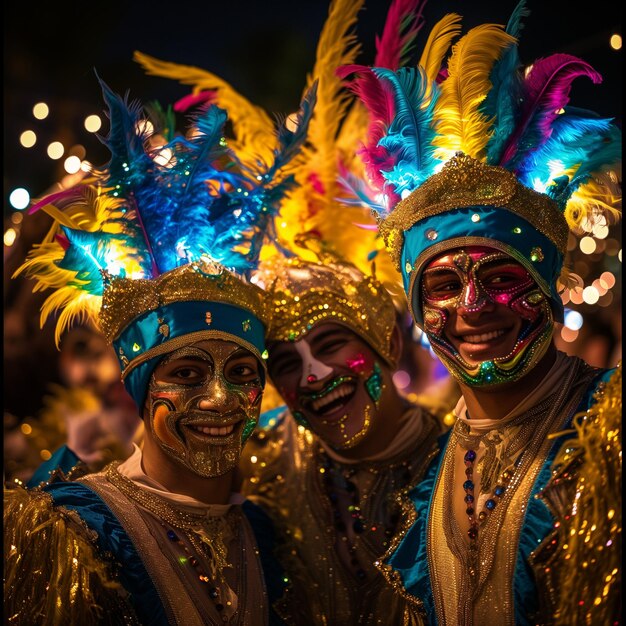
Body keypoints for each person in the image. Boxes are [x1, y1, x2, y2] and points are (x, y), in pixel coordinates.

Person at [340, 3, 622, 624]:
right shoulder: (428, 470)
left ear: (548, 290)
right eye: (441, 285)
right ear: (415, 308)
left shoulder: (609, 427)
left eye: (500, 278)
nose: (472, 308)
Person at [4, 75, 316, 625]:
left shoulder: (265, 534)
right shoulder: (76, 532)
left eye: (242, 371)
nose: (220, 398)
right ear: (140, 388)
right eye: (189, 372)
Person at [243, 251, 447, 625]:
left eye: (330, 344)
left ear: (389, 344)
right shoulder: (260, 460)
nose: (313, 376)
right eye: (288, 363)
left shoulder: (461, 459)